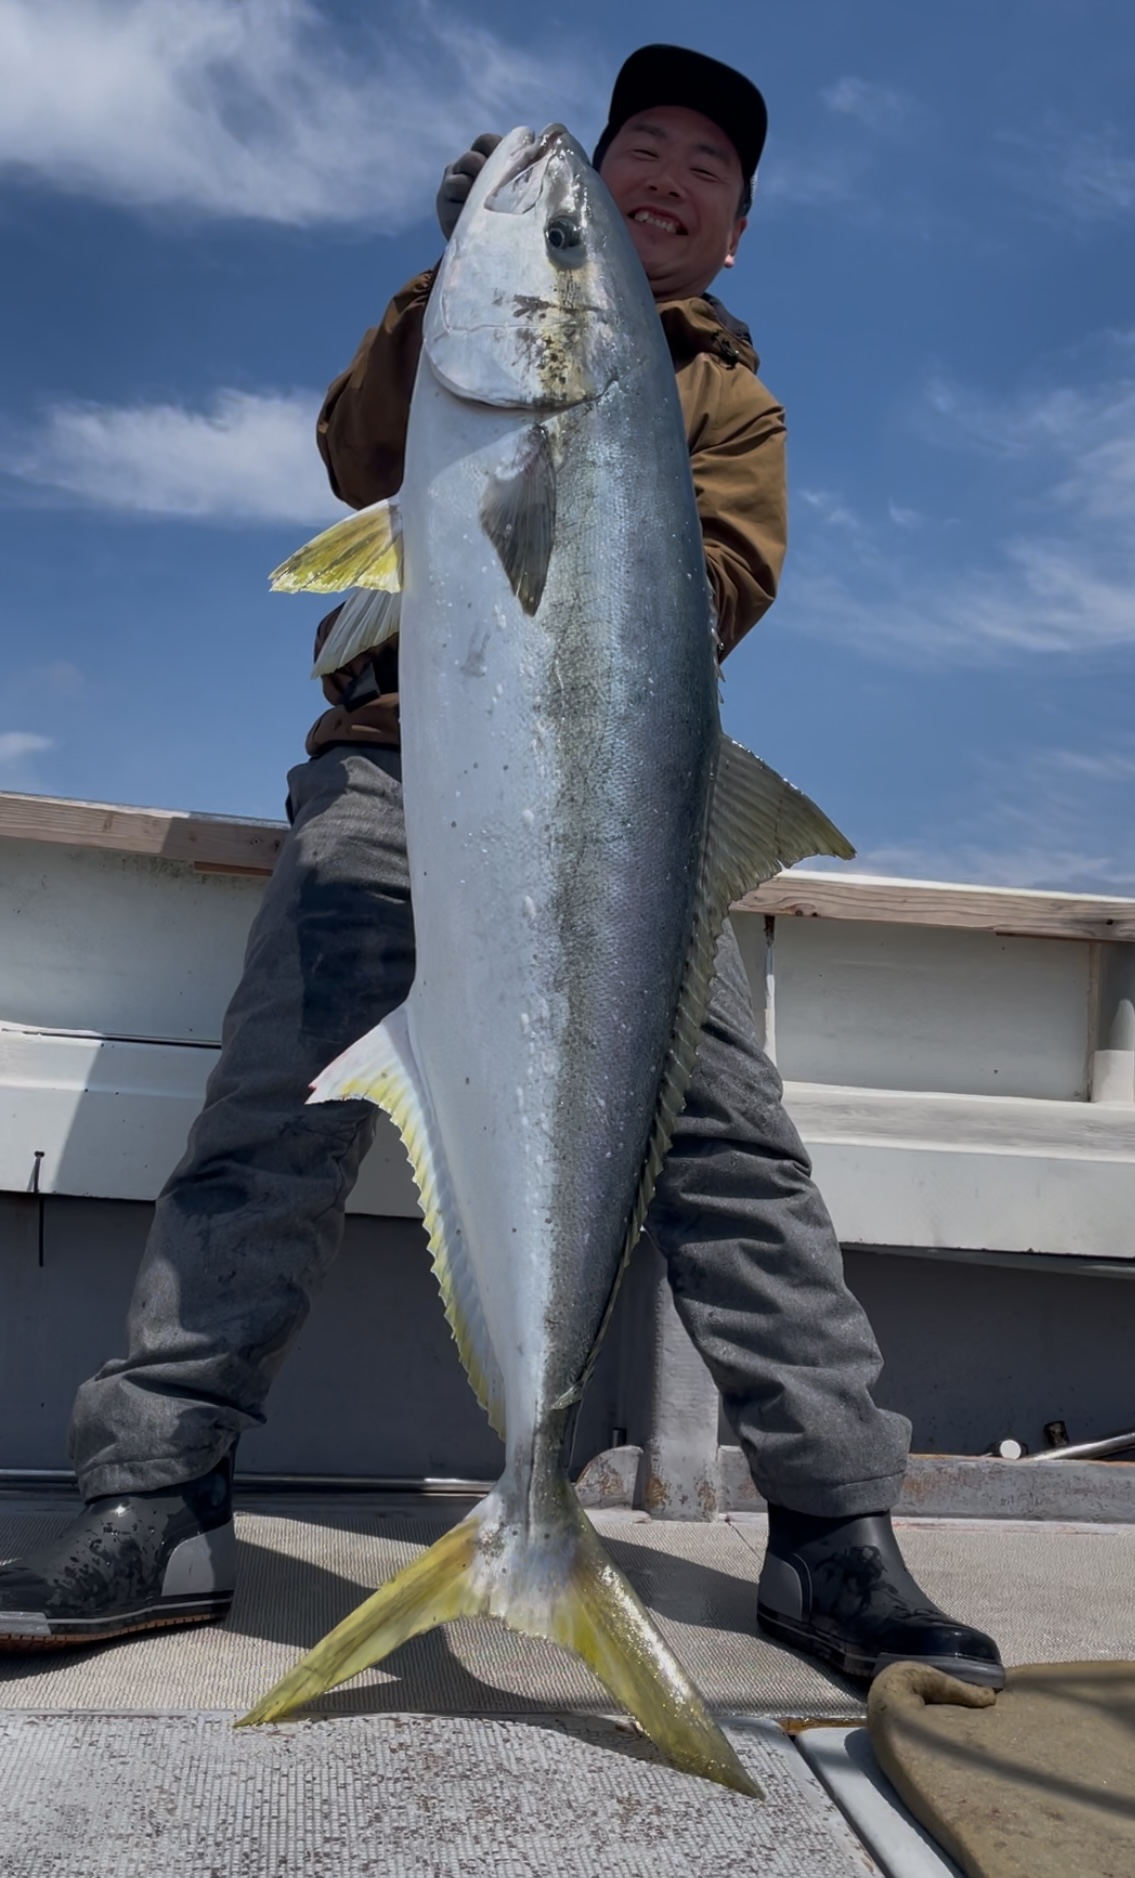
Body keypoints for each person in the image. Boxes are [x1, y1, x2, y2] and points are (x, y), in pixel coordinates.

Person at [0, 46, 1003, 1690]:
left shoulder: (727, 402)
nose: (668, 176)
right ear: (599, 185)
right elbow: (353, 453)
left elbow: (719, 591)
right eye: (644, 149)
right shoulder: (462, 323)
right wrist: (458, 275)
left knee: (736, 1146)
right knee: (274, 1111)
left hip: (613, 811)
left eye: (709, 169)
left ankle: (836, 1537)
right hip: (395, 778)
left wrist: (582, 430)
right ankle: (159, 1494)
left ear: (735, 234)